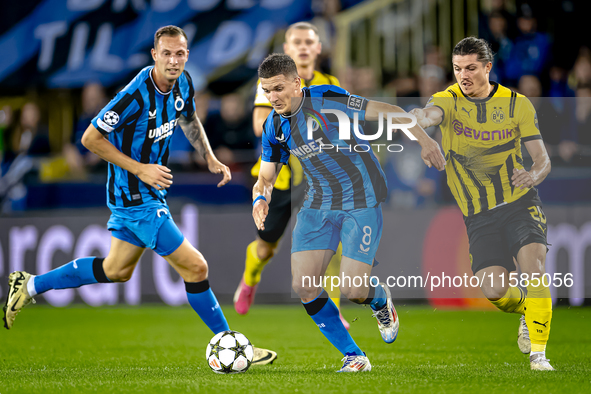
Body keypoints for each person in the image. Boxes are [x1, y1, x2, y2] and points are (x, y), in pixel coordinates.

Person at [2, 25, 276, 366]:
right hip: (134, 197)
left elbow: (189, 118)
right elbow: (89, 139)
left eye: (179, 54)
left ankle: (28, 286)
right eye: (167, 54)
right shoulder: (134, 95)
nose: (173, 61)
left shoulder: (185, 83)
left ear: (186, 55)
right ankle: (234, 346)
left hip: (151, 194)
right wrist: (139, 168)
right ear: (154, 55)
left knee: (116, 270)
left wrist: (208, 156)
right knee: (196, 267)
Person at [252, 53, 445, 372]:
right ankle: (354, 356)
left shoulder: (328, 99)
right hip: (317, 204)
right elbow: (265, 177)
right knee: (305, 287)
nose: (272, 97)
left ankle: (380, 299)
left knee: (354, 290)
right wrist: (260, 199)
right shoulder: (273, 126)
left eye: (278, 89)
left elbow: (392, 112)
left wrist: (425, 141)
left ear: (297, 84)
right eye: (266, 91)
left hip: (361, 198)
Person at [409, 37, 553, 371]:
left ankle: (539, 355)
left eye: (471, 68)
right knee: (493, 290)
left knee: (533, 267)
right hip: (478, 214)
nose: (463, 75)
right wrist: (423, 134)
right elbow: (421, 115)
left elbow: (542, 159)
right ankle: (528, 310)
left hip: (519, 201)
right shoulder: (447, 100)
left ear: (488, 67)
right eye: (458, 69)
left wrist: (534, 176)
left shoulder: (517, 105)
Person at [234, 22, 348, 329]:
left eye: (308, 42)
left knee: (331, 243)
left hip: (317, 179)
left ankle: (333, 308)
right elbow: (261, 126)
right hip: (280, 178)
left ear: (318, 48)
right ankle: (250, 278)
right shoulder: (272, 83)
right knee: (265, 247)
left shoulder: (329, 82)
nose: (302, 47)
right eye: (296, 42)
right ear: (287, 49)